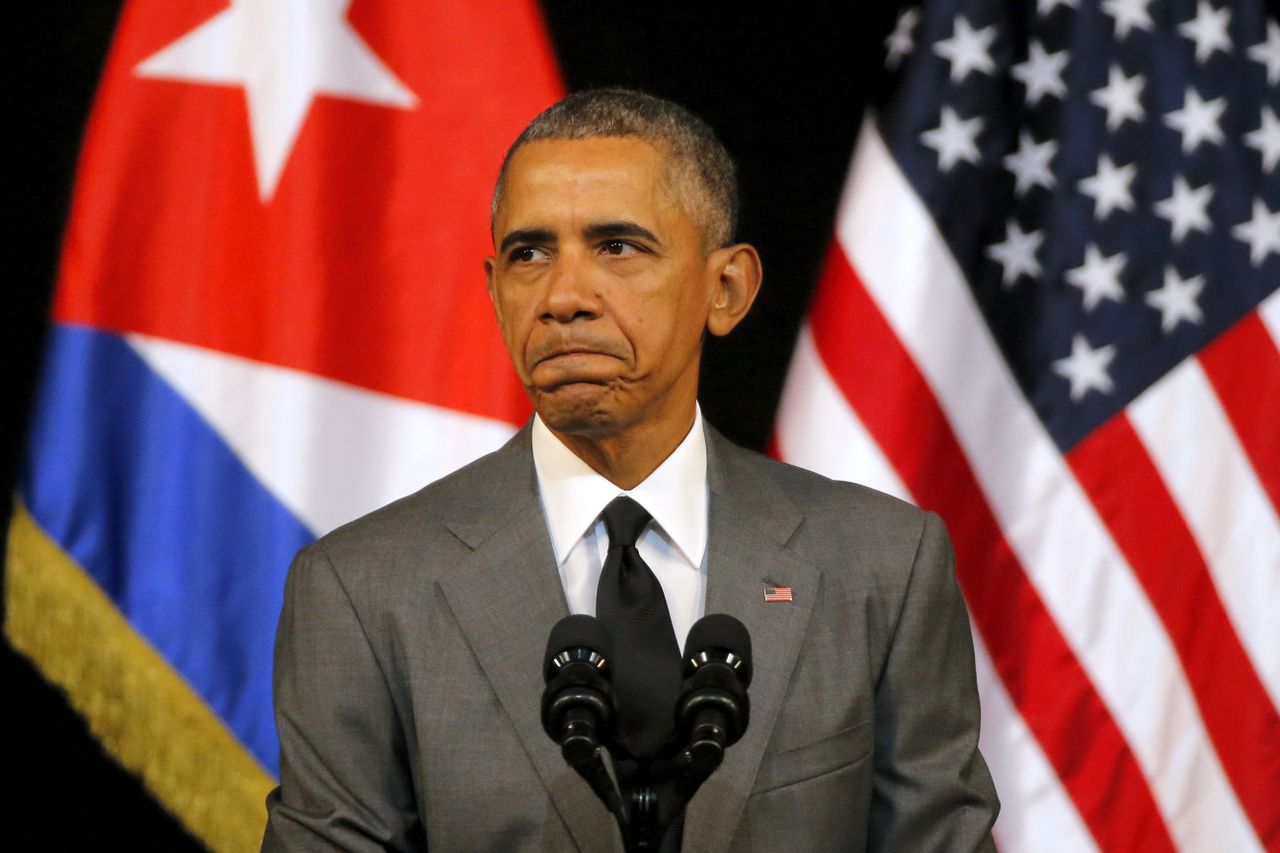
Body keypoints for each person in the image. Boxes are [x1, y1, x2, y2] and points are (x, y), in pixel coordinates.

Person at [262, 89, 998, 852]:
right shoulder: (362, 588)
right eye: (529, 253)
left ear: (727, 289)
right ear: (493, 292)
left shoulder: (881, 563)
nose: (564, 296)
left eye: (617, 246)